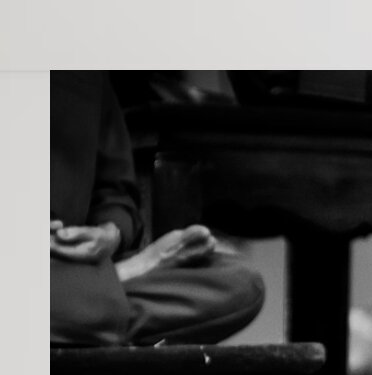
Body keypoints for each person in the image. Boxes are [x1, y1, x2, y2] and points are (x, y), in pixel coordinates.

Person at [51, 70, 264, 347]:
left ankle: (81, 317)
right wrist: (139, 265)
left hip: (75, 277)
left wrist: (110, 233)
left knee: (239, 283)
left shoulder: (87, 74)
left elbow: (115, 192)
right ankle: (109, 292)